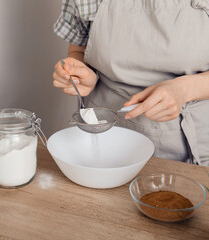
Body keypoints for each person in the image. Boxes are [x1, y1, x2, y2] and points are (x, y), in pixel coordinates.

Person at [52, 0, 209, 166]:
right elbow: (78, 50)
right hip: (104, 139)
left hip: (194, 148)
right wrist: (79, 74)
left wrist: (185, 90)